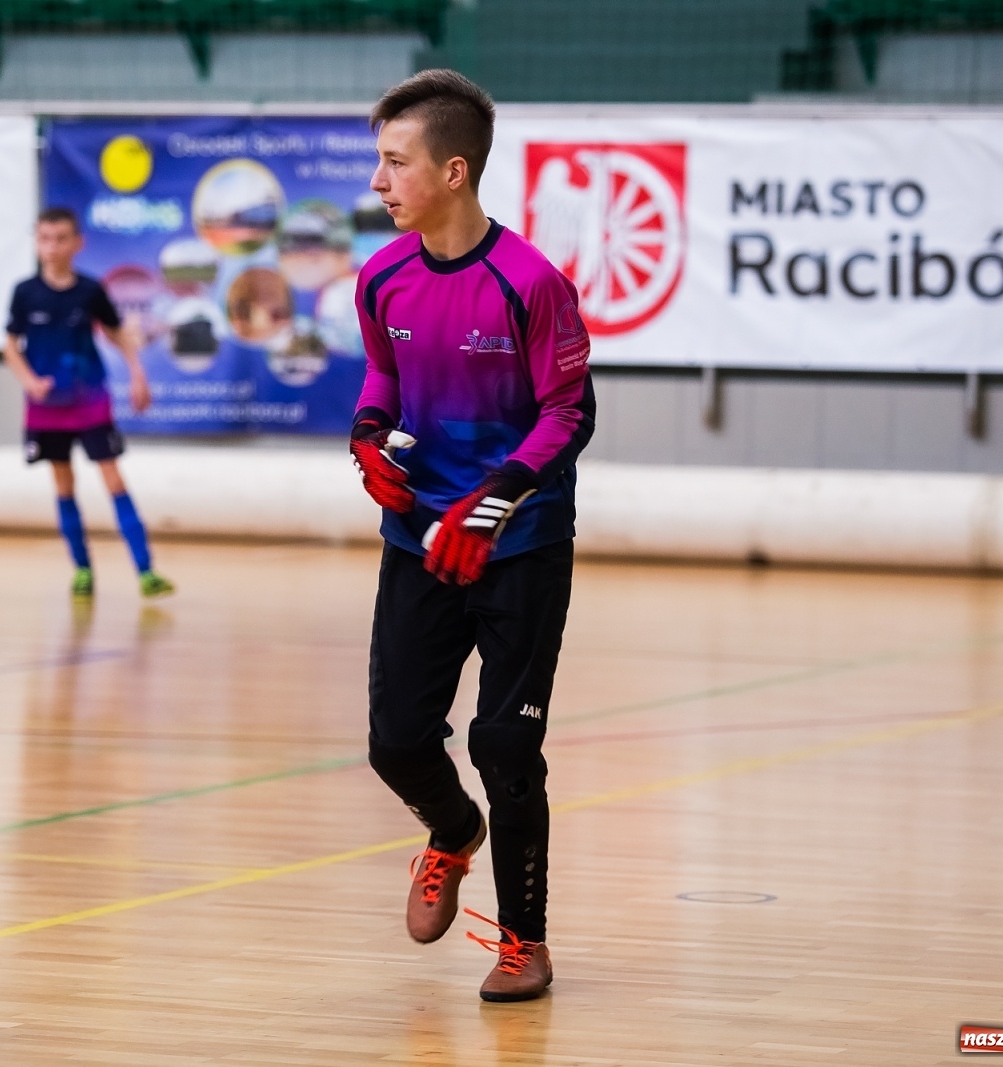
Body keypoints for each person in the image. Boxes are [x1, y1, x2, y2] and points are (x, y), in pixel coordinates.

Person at [350, 69, 596, 1002]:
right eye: (380, 160)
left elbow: (569, 412)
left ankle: (523, 944)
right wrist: (369, 441)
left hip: (519, 546)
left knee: (503, 742)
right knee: (395, 742)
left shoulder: (531, 283)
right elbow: (384, 381)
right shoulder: (381, 278)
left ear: (454, 171)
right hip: (419, 543)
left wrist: (491, 502)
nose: (380, 180)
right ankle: (451, 831)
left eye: (394, 161)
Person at [2, 207, 174, 600]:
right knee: (64, 484)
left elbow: (117, 333)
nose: (52, 247)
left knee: (113, 479)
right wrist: (29, 381)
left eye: (61, 238)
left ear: (78, 243)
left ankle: (146, 571)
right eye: (45, 238)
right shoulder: (25, 293)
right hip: (47, 407)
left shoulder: (90, 291)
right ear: (36, 242)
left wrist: (137, 373)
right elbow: (10, 346)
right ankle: (81, 569)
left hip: (90, 402)